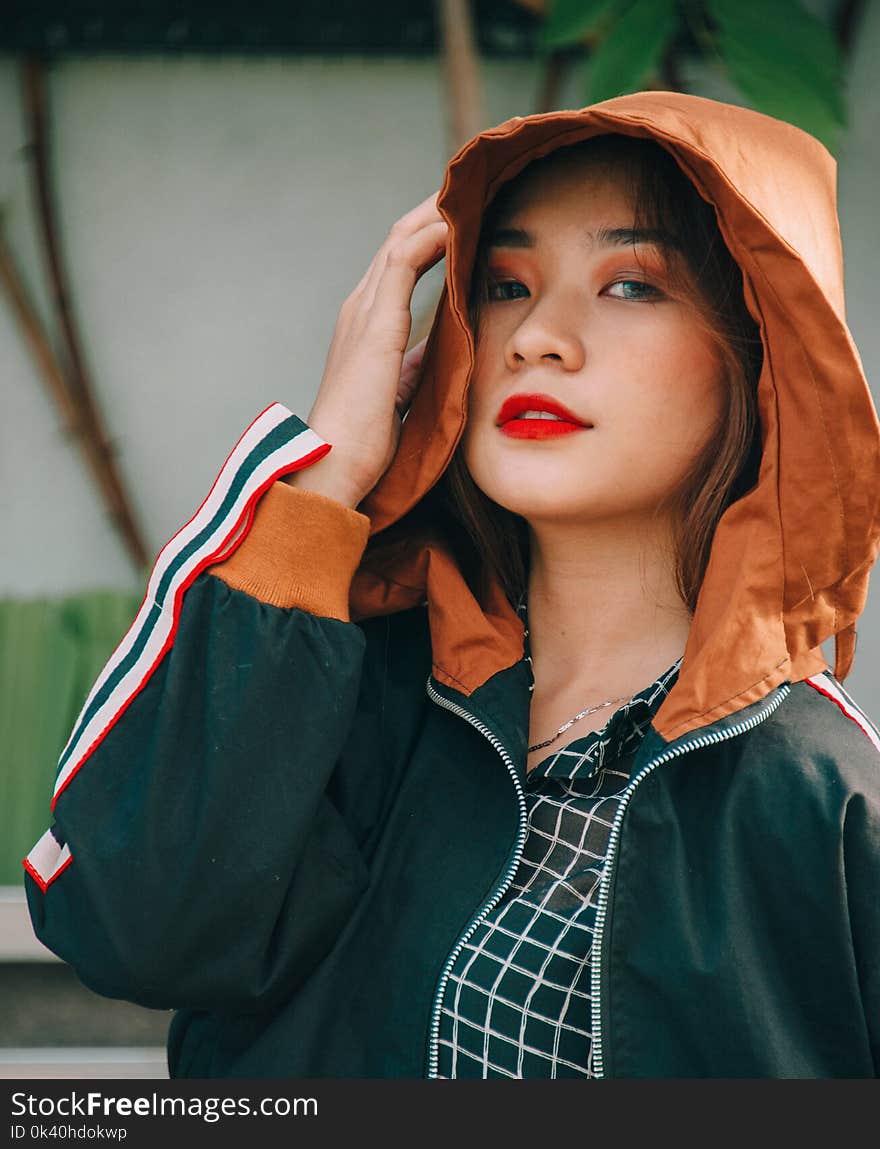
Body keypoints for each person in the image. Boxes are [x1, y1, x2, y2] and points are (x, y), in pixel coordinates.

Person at [23, 91, 880, 1079]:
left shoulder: (821, 799)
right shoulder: (349, 695)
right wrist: (323, 476)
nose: (535, 338)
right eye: (504, 285)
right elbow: (131, 930)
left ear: (764, 359)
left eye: (632, 285)